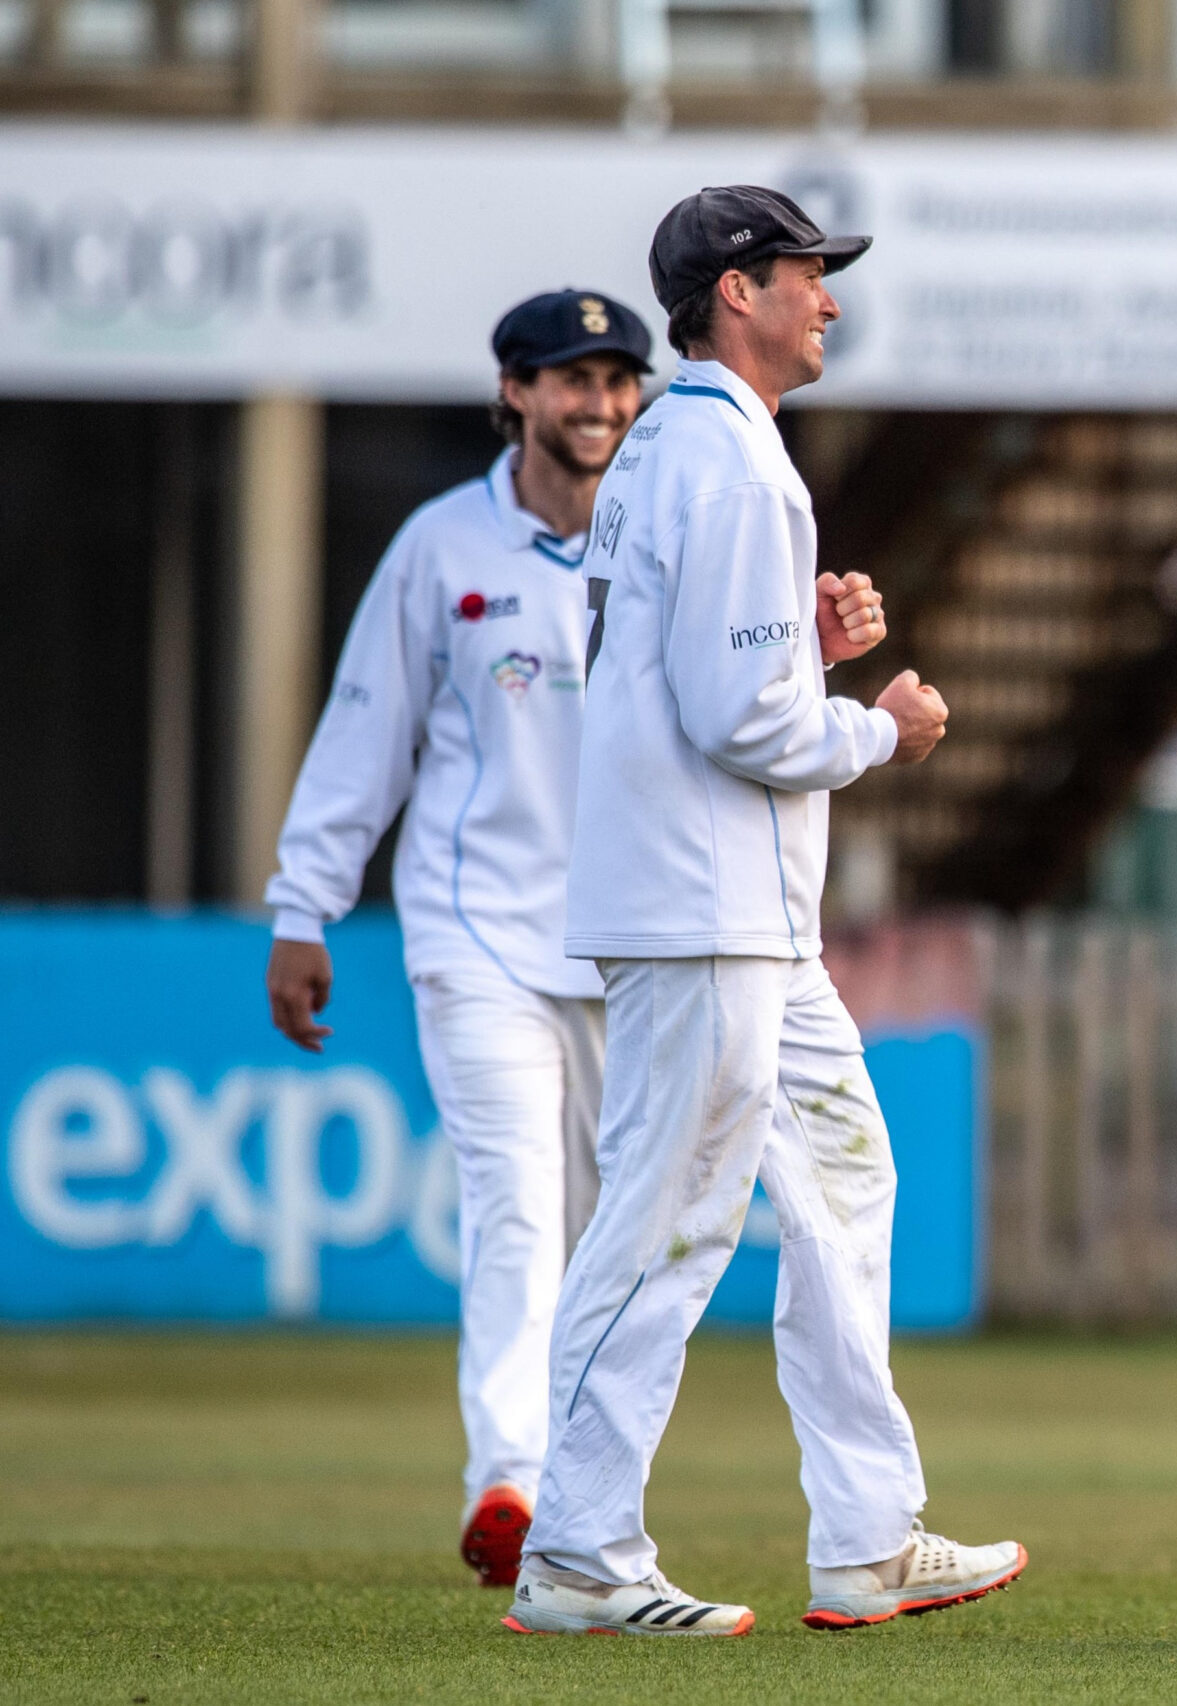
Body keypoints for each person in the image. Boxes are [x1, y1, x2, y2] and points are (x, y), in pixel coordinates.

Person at [505, 185, 1023, 1639]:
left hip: (747, 919)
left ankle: (867, 1534)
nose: (831, 301)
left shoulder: (691, 449)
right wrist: (883, 726)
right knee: (667, 1225)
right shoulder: (731, 466)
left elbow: (703, 676)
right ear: (736, 291)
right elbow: (744, 723)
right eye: (809, 275)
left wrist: (804, 644)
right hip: (701, 910)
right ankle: (580, 1554)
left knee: (849, 1184)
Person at [264, 289, 652, 1590]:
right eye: (569, 381)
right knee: (514, 1211)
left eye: (615, 381)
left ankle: (586, 1500)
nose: (595, 405)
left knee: (608, 1234)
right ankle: (513, 1477)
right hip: (474, 931)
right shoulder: (443, 547)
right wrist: (302, 904)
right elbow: (363, 731)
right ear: (514, 392)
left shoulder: (666, 536)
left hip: (627, 943)